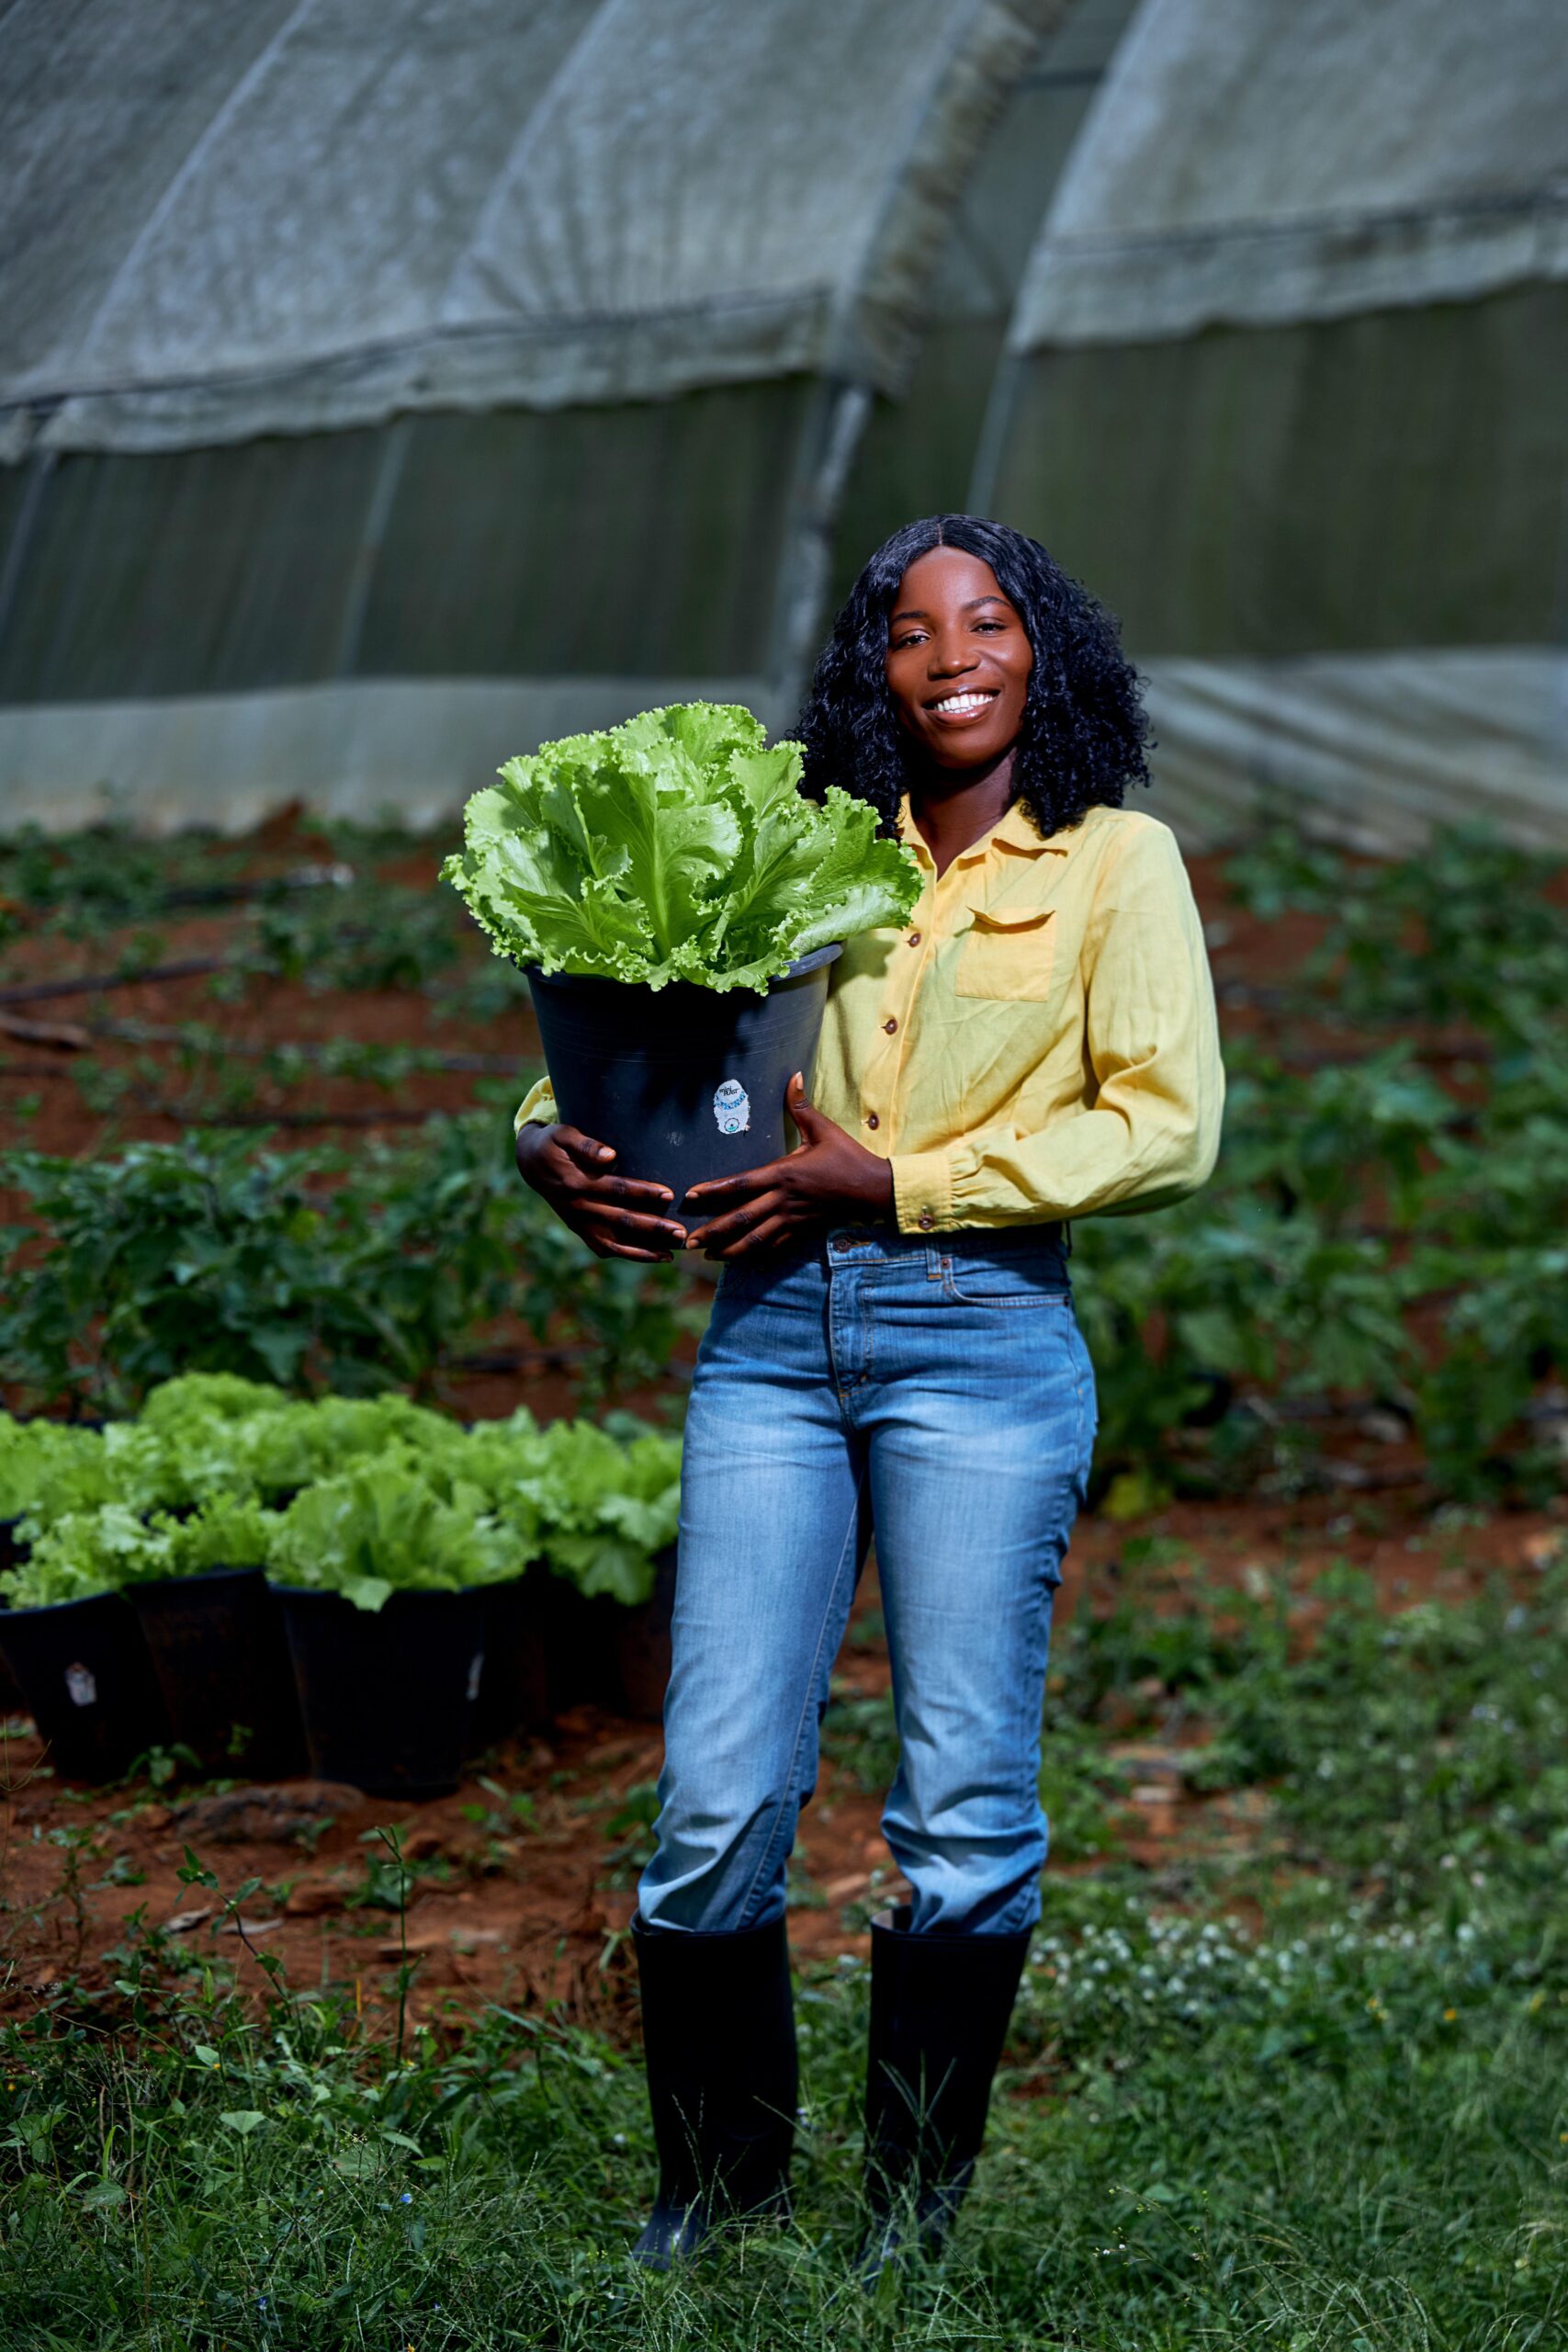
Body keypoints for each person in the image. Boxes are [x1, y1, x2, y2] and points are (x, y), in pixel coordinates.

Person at [514, 514, 1224, 2270]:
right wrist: (543, 1135)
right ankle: (717, 2194)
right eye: (911, 632)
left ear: (1043, 650)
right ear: (872, 670)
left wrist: (896, 1183)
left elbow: (1164, 1126)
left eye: (987, 622)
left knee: (963, 1810)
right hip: (767, 1340)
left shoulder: (1116, 862)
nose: (951, 656)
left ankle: (909, 2222)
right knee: (714, 1799)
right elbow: (647, 1019)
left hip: (980, 1342)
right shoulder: (806, 847)